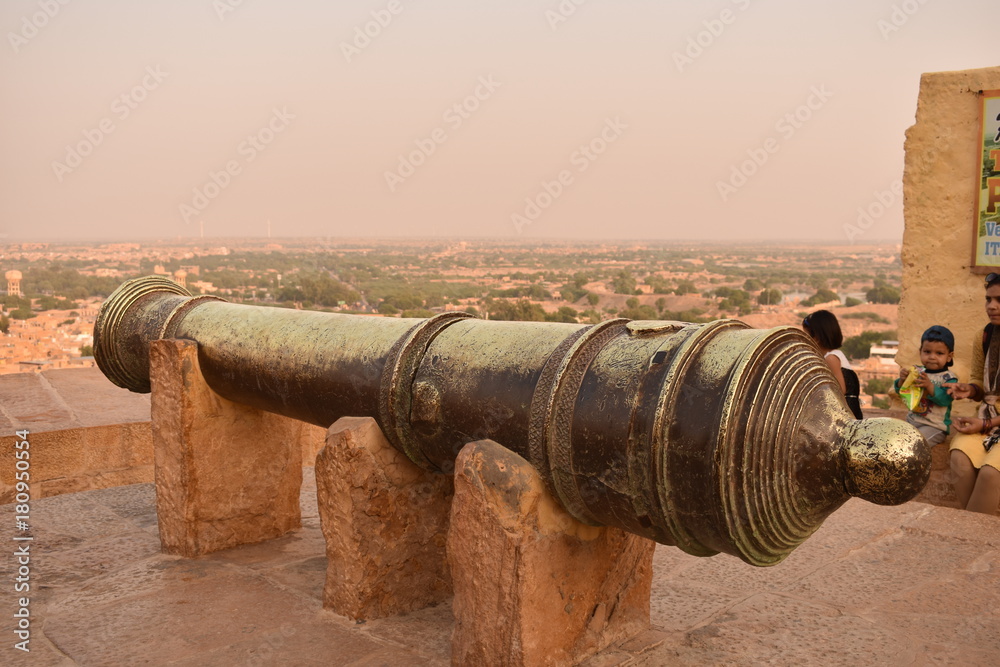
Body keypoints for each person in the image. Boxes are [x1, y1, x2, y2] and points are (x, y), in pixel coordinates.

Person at [947, 273, 1000, 514]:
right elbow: (980, 381)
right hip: (989, 421)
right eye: (988, 299)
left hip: (990, 422)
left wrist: (985, 423)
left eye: (998, 300)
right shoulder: (985, 335)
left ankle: (969, 533)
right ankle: (975, 532)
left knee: (990, 473)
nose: (991, 306)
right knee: (959, 457)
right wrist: (970, 389)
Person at [893, 325, 957, 447]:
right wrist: (902, 380)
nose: (932, 357)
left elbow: (945, 400)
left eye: (939, 353)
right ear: (920, 351)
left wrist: (929, 386)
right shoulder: (917, 371)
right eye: (927, 352)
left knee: (915, 444)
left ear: (949, 356)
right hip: (912, 422)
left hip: (935, 427)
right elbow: (901, 391)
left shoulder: (949, 378)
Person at [803, 309, 863, 419]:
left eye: (806, 336)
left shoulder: (831, 358)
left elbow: (839, 390)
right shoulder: (834, 355)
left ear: (816, 338)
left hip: (845, 416)